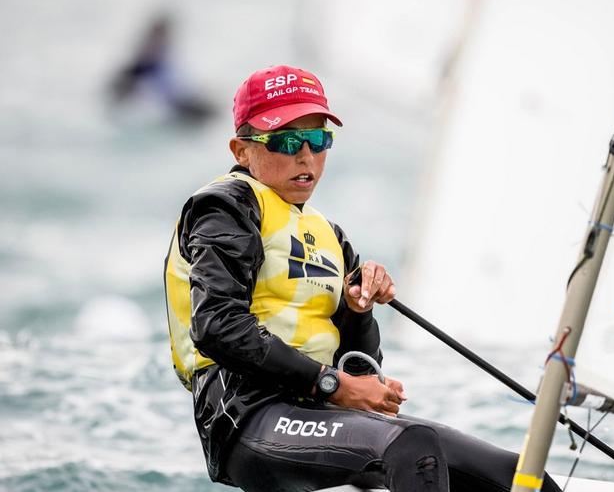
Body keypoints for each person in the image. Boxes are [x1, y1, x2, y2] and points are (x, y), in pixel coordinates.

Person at [164, 64, 561, 492]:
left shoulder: (328, 234)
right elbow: (217, 326)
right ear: (240, 150)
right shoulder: (223, 207)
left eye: (318, 140)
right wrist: (332, 385)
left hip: (317, 410)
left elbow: (359, 363)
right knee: (412, 447)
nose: (306, 157)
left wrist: (359, 310)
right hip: (244, 414)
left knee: (522, 476)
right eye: (287, 140)